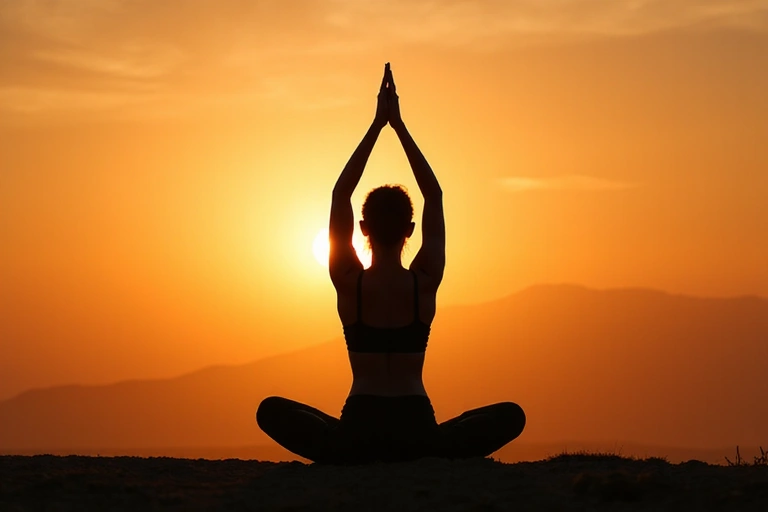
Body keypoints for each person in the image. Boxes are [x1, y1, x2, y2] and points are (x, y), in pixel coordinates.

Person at [257, 63, 525, 464]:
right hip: (416, 429)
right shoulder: (424, 282)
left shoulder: (349, 283)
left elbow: (339, 194)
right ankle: (432, 450)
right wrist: (398, 126)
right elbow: (433, 194)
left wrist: (376, 125)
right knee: (510, 416)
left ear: (362, 228)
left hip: (359, 430)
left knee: (271, 409)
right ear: (410, 229)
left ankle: (345, 451)